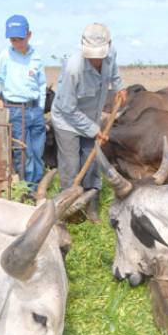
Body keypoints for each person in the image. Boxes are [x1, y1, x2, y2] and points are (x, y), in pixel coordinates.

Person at [51, 23, 127, 222]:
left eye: (99, 55)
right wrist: (94, 130)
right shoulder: (73, 68)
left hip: (91, 117)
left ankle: (91, 205)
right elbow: (67, 108)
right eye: (91, 55)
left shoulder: (111, 55)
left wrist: (120, 87)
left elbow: (115, 74)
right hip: (67, 121)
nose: (95, 59)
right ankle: (70, 211)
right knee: (71, 165)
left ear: (108, 45)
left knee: (92, 162)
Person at [0, 14, 46, 194]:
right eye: (13, 39)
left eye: (20, 39)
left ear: (29, 35)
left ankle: (36, 185)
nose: (16, 43)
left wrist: (41, 107)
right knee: (23, 153)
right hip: (15, 109)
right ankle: (26, 190)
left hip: (34, 109)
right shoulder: (5, 56)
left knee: (37, 150)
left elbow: (42, 83)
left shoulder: (36, 57)